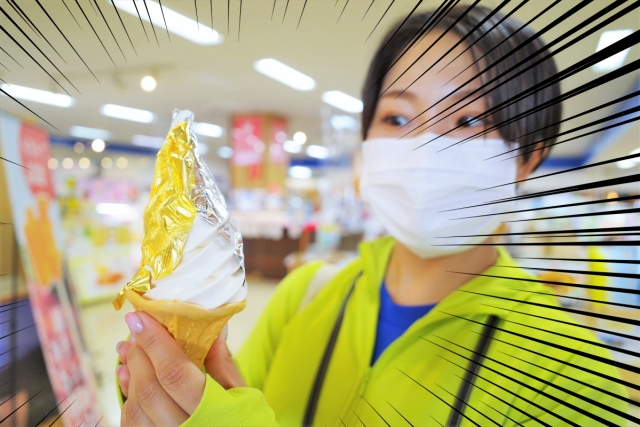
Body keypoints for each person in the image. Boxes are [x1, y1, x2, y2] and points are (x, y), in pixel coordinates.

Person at [115, 6, 629, 426]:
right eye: (397, 117)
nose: (424, 145)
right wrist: (166, 402)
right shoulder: (306, 293)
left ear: (528, 156)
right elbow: (221, 403)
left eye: (469, 119)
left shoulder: (571, 371)